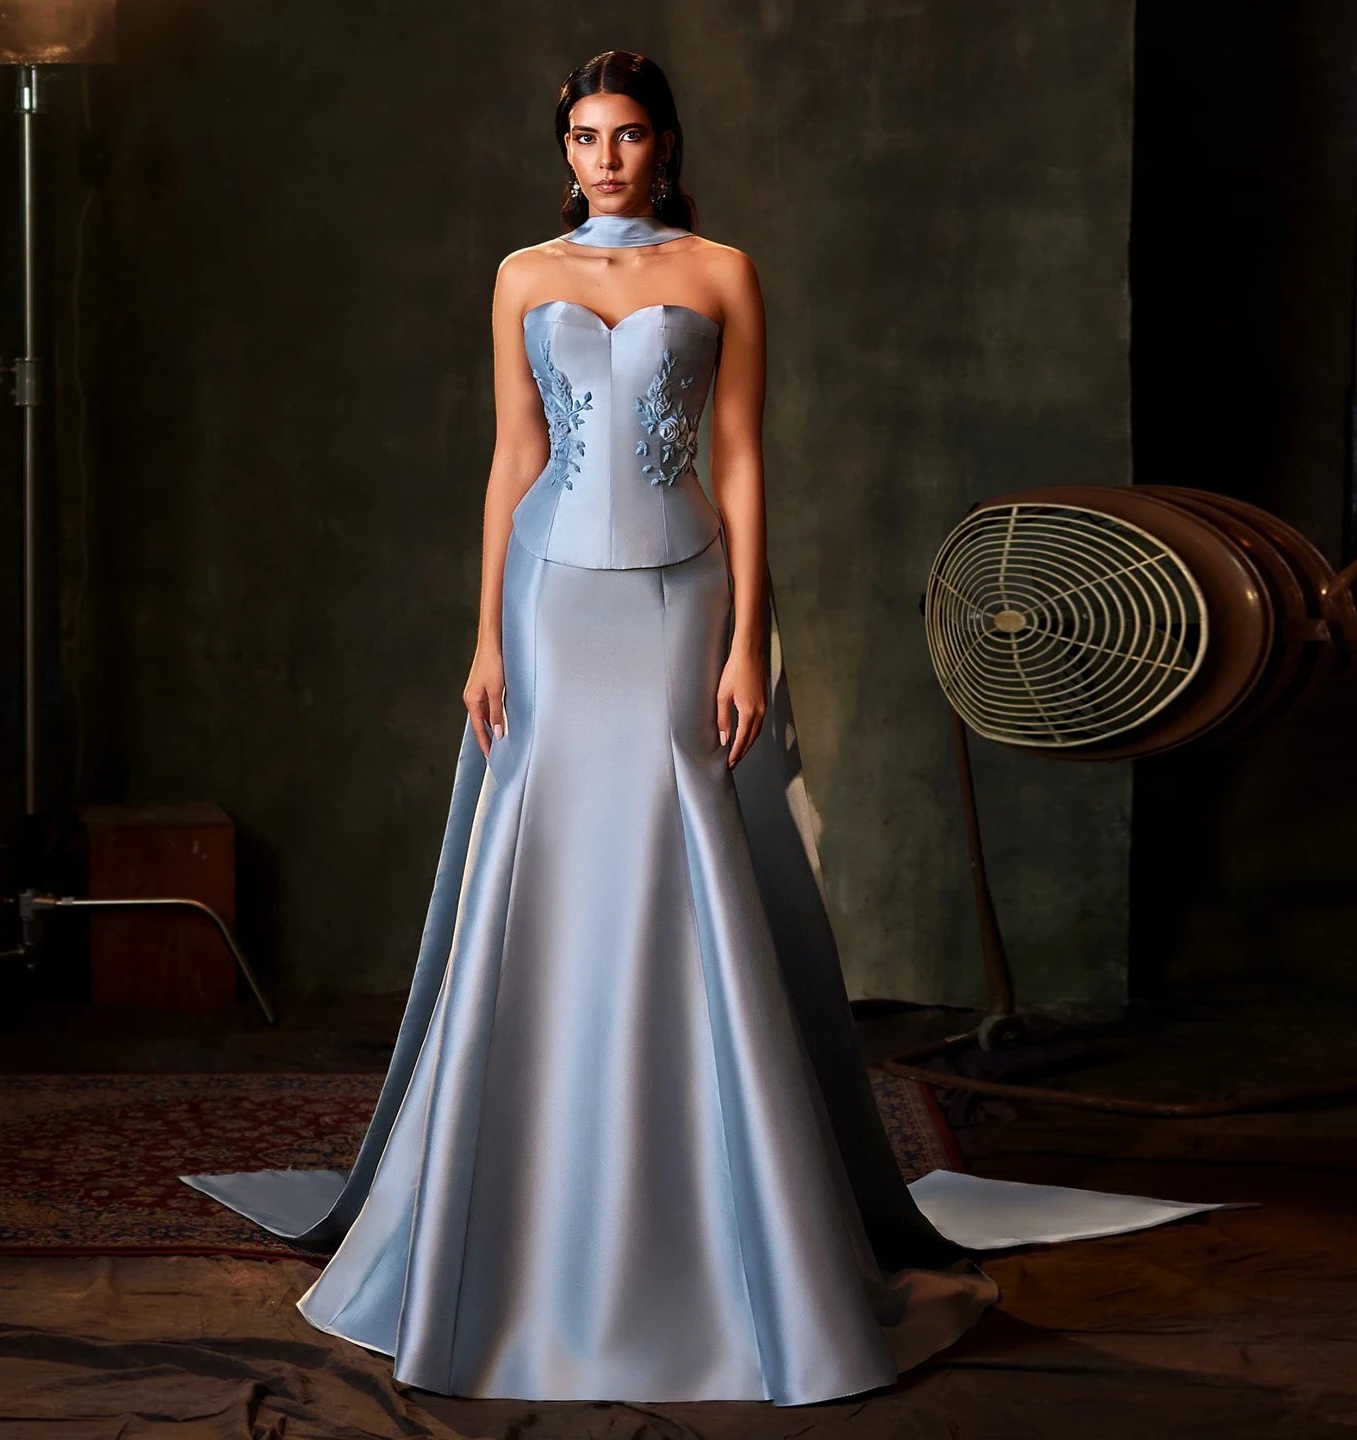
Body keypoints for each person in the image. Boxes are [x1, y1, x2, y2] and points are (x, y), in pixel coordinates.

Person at [182, 49, 1105, 1405]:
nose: (604, 158)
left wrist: (748, 641)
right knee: (547, 854)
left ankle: (705, 1206)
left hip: (680, 594)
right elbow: (514, 457)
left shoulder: (722, 271)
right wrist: (485, 636)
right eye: (583, 136)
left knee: (682, 855)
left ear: (664, 144)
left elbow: (741, 459)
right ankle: (521, 1206)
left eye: (625, 135)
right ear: (563, 150)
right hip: (552, 596)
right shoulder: (523, 275)